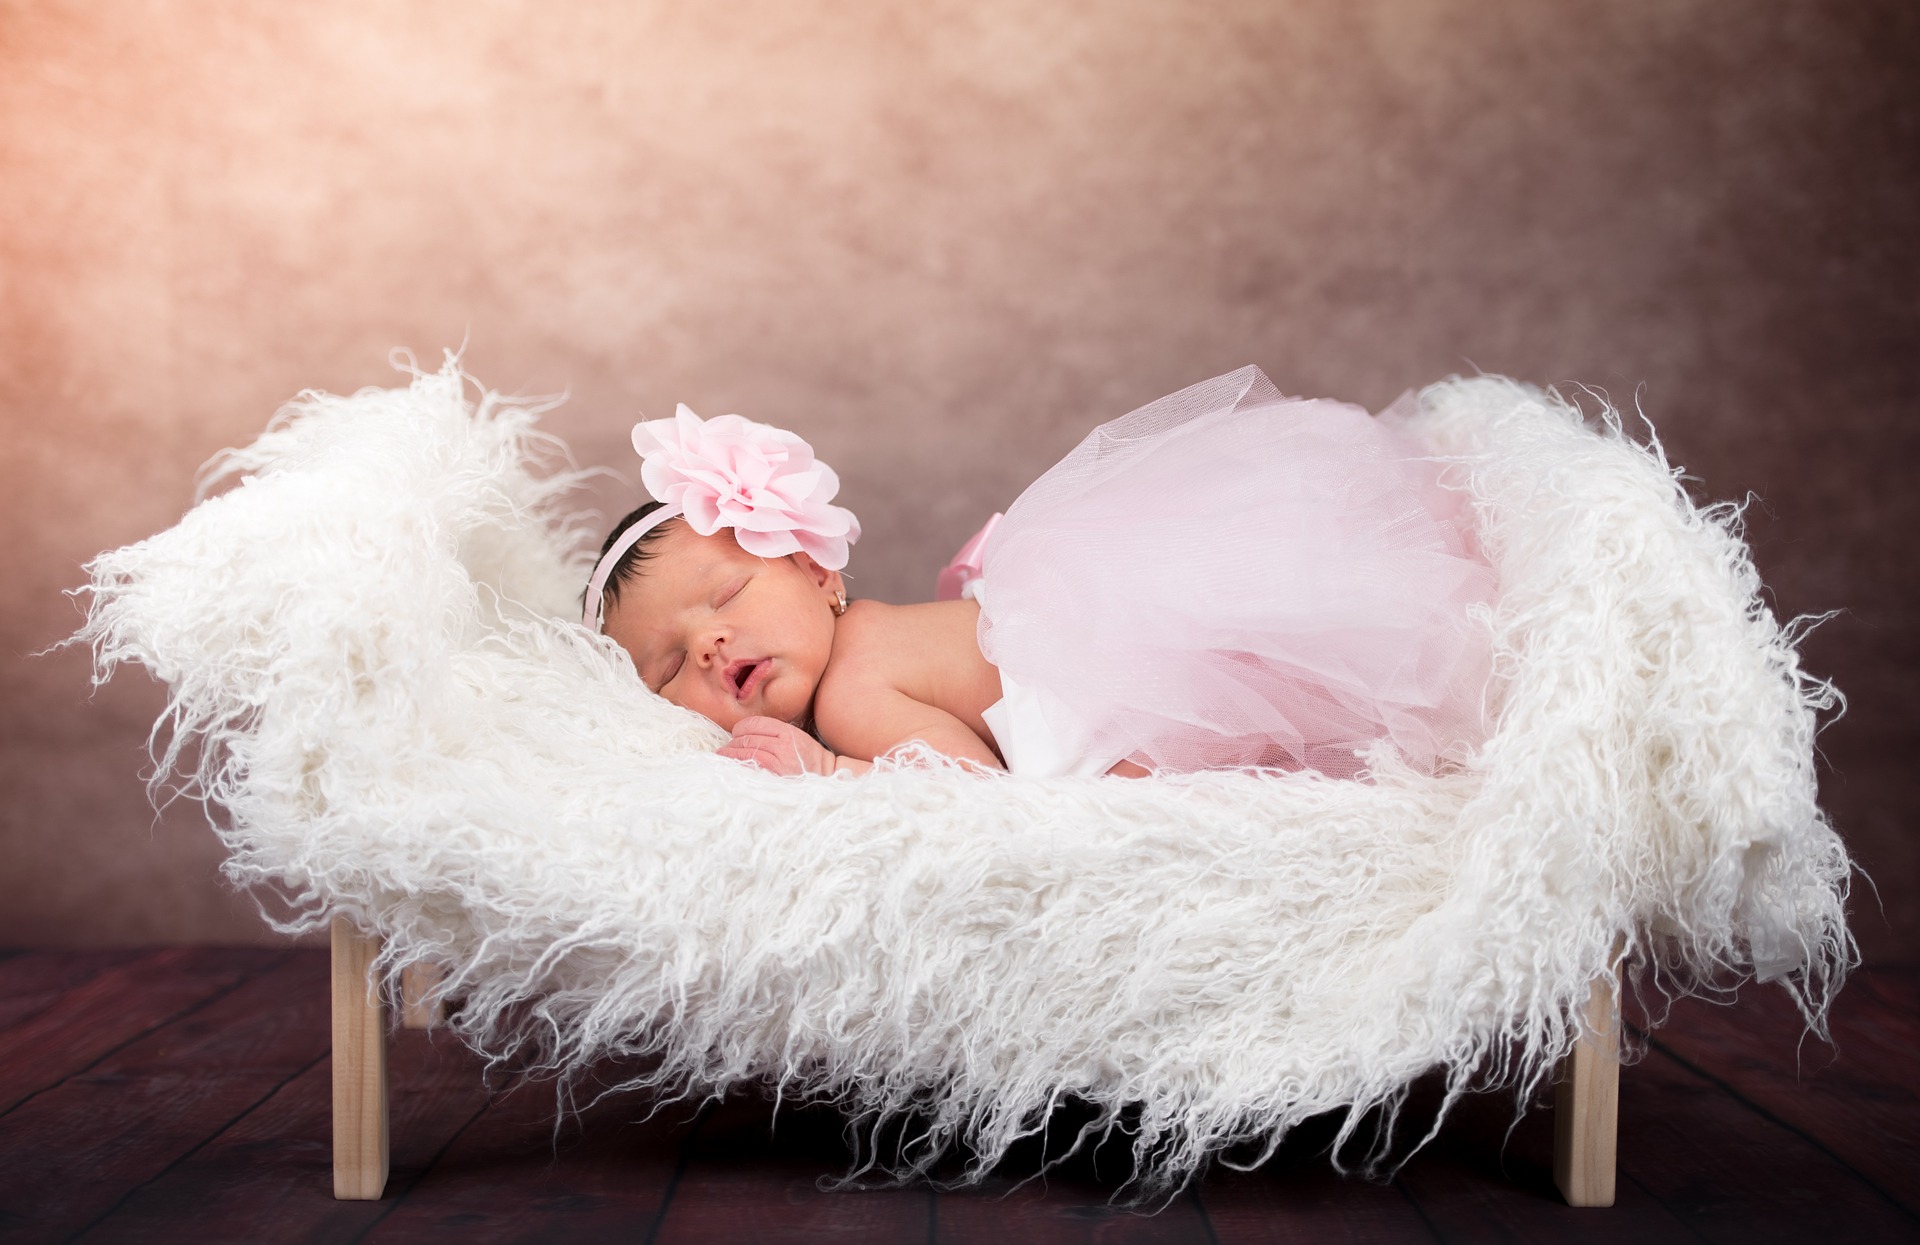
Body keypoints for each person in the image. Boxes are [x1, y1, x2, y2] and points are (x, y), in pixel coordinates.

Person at [582, 366, 1497, 781]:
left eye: (729, 596)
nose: (707, 644)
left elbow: (969, 797)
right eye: (666, 668)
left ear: (819, 572)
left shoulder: (856, 689)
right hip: (1113, 648)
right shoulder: (874, 642)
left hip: (1114, 708)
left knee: (1235, 746)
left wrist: (829, 771)